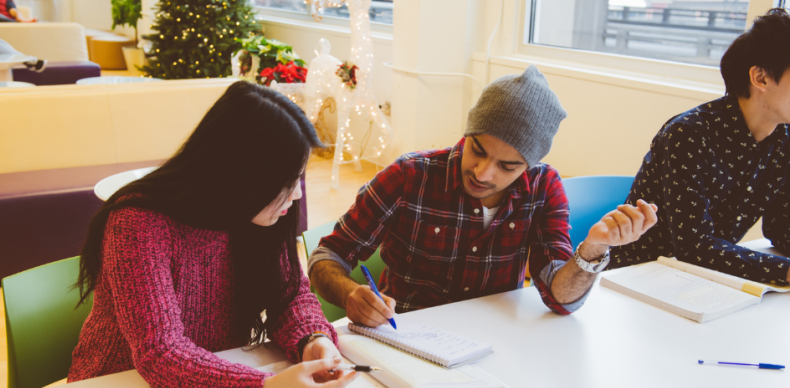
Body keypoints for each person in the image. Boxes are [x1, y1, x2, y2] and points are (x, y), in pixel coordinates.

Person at [308, 65, 659, 327]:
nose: (483, 173)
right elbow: (328, 255)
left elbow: (560, 299)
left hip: (490, 341)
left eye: (507, 166)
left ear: (529, 165)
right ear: (467, 131)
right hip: (405, 332)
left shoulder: (543, 186)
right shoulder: (409, 175)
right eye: (476, 149)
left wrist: (593, 250)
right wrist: (349, 293)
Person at [68, 82, 358, 388]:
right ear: (241, 175)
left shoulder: (254, 218)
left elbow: (288, 296)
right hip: (118, 380)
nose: (297, 194)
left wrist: (312, 338)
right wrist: (267, 385)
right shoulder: (138, 223)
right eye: (285, 180)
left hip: (214, 374)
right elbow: (162, 354)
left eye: (298, 177)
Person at [609, 8, 790, 285]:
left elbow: (780, 228)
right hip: (640, 279)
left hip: (706, 282)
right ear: (761, 78)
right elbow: (694, 247)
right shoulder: (688, 134)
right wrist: (784, 271)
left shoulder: (784, 140)